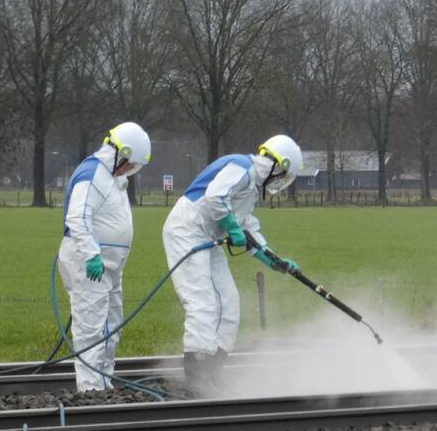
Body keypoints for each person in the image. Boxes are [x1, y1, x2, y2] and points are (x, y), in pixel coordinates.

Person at [163, 135, 302, 393]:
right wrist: (230, 225)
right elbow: (215, 197)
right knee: (202, 301)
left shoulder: (250, 189)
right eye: (284, 174)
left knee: (228, 301)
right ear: (276, 165)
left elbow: (247, 229)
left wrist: (274, 260)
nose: (282, 181)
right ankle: (196, 375)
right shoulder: (241, 167)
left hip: (207, 236)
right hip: (187, 230)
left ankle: (213, 371)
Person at [58, 122, 151, 392]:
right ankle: (90, 392)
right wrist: (91, 255)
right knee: (90, 329)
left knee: (110, 328)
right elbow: (77, 217)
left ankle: (103, 385)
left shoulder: (112, 179)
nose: (130, 171)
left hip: (108, 266)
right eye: (130, 164)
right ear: (119, 154)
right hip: (89, 264)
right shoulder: (92, 174)